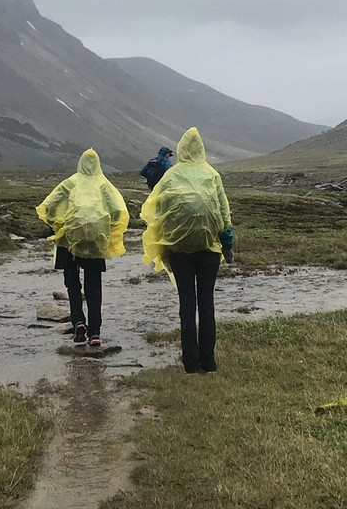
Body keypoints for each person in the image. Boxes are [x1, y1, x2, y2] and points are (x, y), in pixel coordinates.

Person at [141, 127, 234, 373]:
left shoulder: (171, 176)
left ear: (181, 149)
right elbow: (224, 214)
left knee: (187, 304)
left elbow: (158, 213)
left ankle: (191, 364)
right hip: (209, 249)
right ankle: (209, 362)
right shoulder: (212, 175)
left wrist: (162, 246)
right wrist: (229, 245)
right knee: (207, 302)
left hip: (179, 250)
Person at [37, 148, 129, 347]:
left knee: (72, 282)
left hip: (70, 238)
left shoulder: (70, 182)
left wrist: (57, 225)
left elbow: (49, 205)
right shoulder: (104, 184)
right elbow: (117, 210)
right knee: (93, 285)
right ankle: (95, 332)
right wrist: (108, 229)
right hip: (96, 239)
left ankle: (78, 321)